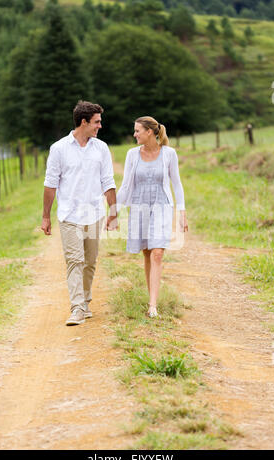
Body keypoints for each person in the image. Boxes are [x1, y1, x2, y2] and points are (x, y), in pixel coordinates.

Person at [41, 100, 118, 326]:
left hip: (94, 213)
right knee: (75, 260)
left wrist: (113, 212)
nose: (99, 126)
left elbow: (108, 181)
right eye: (96, 122)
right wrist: (46, 216)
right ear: (83, 122)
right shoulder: (59, 149)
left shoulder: (101, 148)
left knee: (90, 261)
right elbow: (50, 185)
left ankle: (85, 301)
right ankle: (76, 308)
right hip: (69, 215)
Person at [117, 116, 188, 318]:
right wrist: (114, 212)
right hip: (139, 206)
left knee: (157, 252)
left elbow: (177, 184)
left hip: (161, 206)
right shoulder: (132, 154)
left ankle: (153, 306)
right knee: (147, 253)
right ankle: (152, 298)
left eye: (137, 130)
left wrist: (181, 212)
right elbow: (125, 185)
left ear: (149, 132)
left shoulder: (168, 154)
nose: (134, 134)